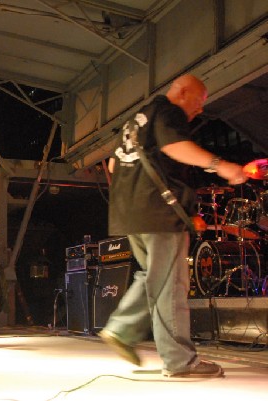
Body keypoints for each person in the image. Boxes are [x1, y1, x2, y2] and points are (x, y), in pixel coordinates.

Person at [101, 74, 248, 378]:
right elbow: (175, 146)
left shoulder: (135, 121)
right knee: (171, 286)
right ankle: (181, 362)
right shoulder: (168, 112)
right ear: (181, 92)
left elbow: (114, 166)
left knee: (149, 276)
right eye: (198, 100)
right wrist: (222, 166)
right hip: (157, 213)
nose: (199, 109)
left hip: (130, 213)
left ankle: (120, 329)